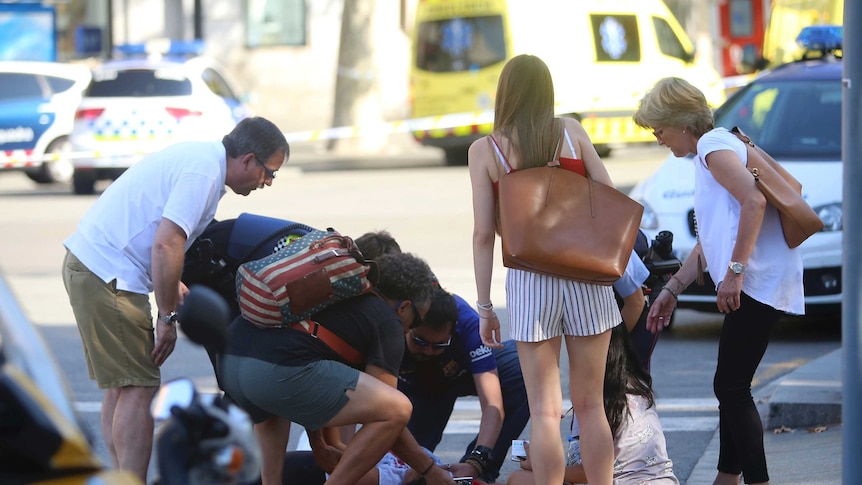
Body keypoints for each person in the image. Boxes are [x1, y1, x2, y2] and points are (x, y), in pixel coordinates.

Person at [60, 116, 288, 482]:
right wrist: (167, 319)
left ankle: (122, 477)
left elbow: (164, 242)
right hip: (107, 272)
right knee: (140, 387)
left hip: (95, 265)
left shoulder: (203, 162)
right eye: (269, 172)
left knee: (123, 385)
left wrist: (172, 283)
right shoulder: (203, 172)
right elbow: (167, 243)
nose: (268, 182)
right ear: (247, 159)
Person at [633, 76, 804, 485]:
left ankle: (754, 481)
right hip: (758, 279)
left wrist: (734, 273)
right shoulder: (710, 149)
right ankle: (727, 477)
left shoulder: (711, 148)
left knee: (730, 385)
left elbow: (754, 200)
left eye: (659, 130)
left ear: (680, 121)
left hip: (758, 280)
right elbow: (708, 241)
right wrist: (672, 290)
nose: (658, 139)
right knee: (731, 383)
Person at [468, 54, 622, 485]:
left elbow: (483, 234)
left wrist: (484, 307)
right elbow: (608, 196)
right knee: (590, 405)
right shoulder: (570, 132)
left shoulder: (486, 150)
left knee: (545, 411)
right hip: (584, 274)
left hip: (530, 280)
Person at [218, 252, 455, 485]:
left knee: (273, 409)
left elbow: (308, 364)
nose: (407, 332)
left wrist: (318, 445)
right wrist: (428, 468)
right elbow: (390, 418)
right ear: (404, 307)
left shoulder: (340, 297)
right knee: (397, 407)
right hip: (274, 373)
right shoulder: (386, 321)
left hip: (231, 360)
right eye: (415, 323)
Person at [355, 230, 530, 483]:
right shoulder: (388, 324)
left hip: (458, 373)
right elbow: (375, 407)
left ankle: (480, 474)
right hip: (416, 391)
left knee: (522, 365)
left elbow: (493, 405)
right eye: (419, 341)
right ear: (405, 317)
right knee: (406, 466)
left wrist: (477, 461)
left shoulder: (465, 320)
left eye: (439, 344)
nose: (427, 350)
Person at [503, 324, 679, 485]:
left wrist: (540, 464)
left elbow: (588, 473)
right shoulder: (632, 385)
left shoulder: (594, 399)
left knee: (520, 480)